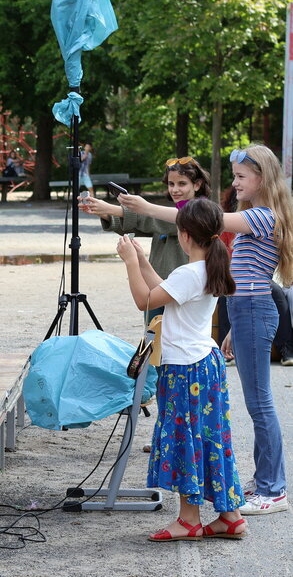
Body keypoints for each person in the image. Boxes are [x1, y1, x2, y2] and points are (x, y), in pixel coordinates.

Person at [118, 144, 292, 515]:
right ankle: (265, 480)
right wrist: (233, 328)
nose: (235, 183)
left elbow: (202, 220)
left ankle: (274, 490)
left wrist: (145, 208)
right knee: (256, 403)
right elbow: (246, 278)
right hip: (246, 312)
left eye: (241, 177)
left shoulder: (264, 215)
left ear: (262, 178)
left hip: (253, 310)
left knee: (260, 405)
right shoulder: (254, 214)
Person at [117, 199, 245, 541]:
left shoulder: (190, 272)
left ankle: (189, 519)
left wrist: (129, 262)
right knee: (210, 437)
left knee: (185, 438)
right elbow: (167, 291)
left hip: (185, 370)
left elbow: (145, 300)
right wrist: (144, 261)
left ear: (184, 234)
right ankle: (229, 516)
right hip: (205, 363)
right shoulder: (208, 266)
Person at [81, 156, 211, 321]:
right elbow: (145, 224)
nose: (175, 189)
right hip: (156, 285)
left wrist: (114, 209)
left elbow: (159, 220)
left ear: (197, 184)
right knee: (153, 338)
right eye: (171, 184)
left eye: (182, 183)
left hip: (180, 291)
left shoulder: (202, 213)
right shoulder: (168, 212)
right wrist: (103, 212)